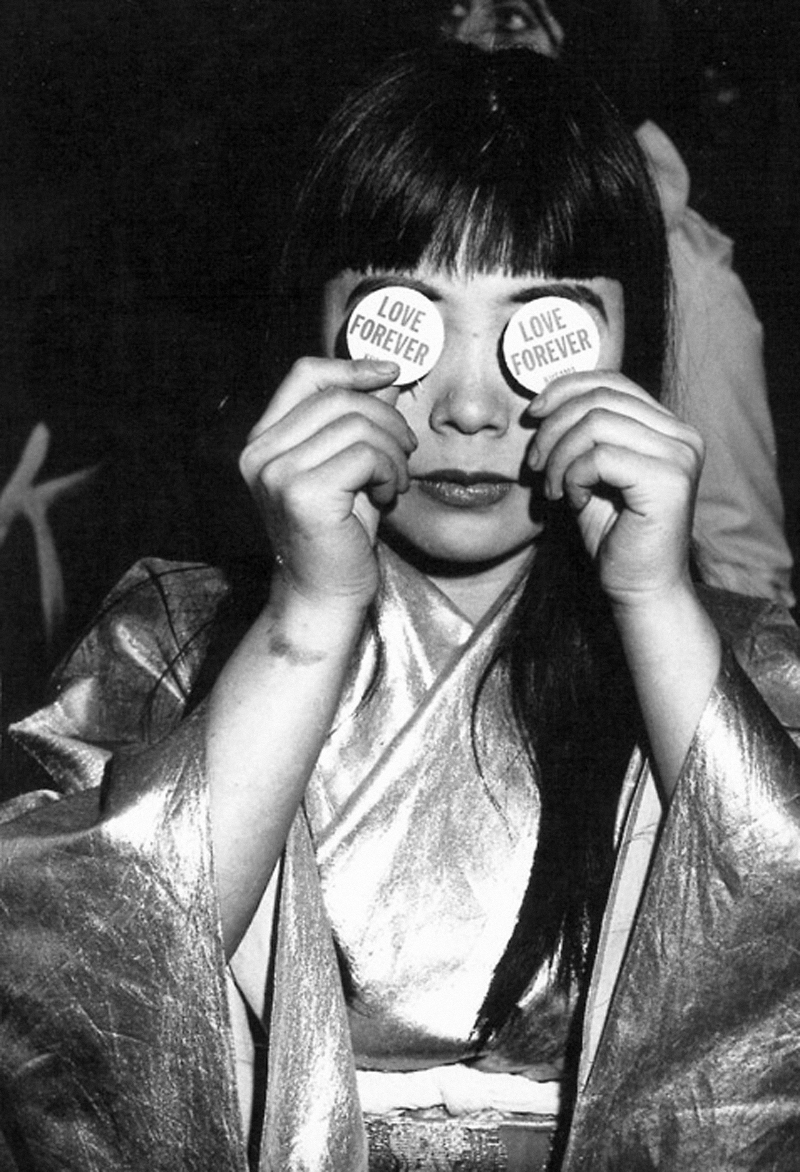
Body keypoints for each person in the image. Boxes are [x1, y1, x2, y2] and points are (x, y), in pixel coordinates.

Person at [2, 43, 800, 1172]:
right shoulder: (171, 638)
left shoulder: (737, 662)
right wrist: (306, 622)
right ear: (316, 331)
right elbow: (65, 991)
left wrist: (655, 602)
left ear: (634, 345)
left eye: (542, 326)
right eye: (405, 322)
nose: (470, 405)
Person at [440, 0, 796, 608]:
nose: (479, 43)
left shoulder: (677, 268)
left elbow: (742, 561)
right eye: (456, 10)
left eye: (514, 20)